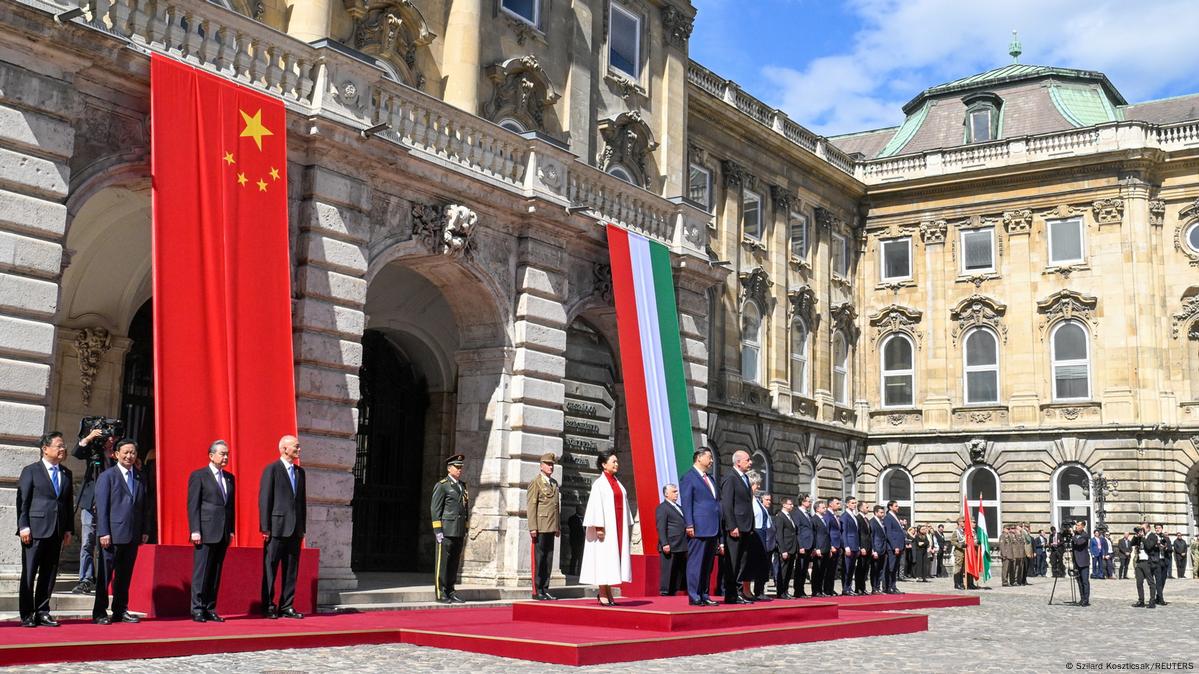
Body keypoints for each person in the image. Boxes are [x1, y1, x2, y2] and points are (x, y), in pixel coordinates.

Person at [17, 432, 74, 627]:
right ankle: (26, 614)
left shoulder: (66, 473)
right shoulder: (31, 471)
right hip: (34, 530)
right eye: (58, 445)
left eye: (63, 445)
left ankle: (43, 611)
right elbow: (23, 501)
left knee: (49, 573)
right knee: (30, 573)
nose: (62, 449)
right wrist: (23, 526)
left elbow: (68, 503)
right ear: (45, 448)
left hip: (56, 530)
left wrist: (68, 529)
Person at [93, 438, 150, 624]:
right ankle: (100, 612)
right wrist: (103, 532)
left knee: (125, 575)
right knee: (105, 576)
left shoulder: (140, 476)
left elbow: (144, 507)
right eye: (125, 452)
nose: (129, 456)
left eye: (132, 452)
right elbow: (102, 507)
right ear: (116, 454)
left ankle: (120, 609)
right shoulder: (108, 476)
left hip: (132, 534)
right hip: (111, 535)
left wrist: (144, 529)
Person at [187, 440, 235, 622]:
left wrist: (231, 530)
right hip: (205, 530)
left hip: (222, 532)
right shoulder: (199, 475)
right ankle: (197, 608)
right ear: (211, 455)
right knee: (202, 571)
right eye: (222, 453)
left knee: (215, 571)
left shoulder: (230, 478)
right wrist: (195, 530)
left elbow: (230, 507)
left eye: (227, 454)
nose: (225, 457)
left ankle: (210, 607)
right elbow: (193, 505)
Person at [260, 435, 307, 618]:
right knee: (270, 568)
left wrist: (302, 527)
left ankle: (287, 605)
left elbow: (301, 501)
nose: (299, 449)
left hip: (295, 529)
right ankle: (268, 605)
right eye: (296, 446)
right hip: (277, 528)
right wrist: (265, 527)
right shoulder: (272, 469)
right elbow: (265, 499)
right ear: (284, 449)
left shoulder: (299, 472)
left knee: (291, 570)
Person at [580, 450, 632, 606]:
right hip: (605, 528)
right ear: (604, 464)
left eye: (617, 461)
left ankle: (608, 591)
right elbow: (595, 506)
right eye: (613, 461)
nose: (616, 464)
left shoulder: (617, 482)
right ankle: (602, 591)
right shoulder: (599, 484)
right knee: (604, 558)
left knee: (612, 559)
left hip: (617, 526)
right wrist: (599, 527)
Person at [71, 427, 113, 595]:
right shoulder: (93, 453)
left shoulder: (119, 456)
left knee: (107, 543)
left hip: (111, 507)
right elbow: (77, 452)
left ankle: (106, 578)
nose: (109, 440)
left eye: (112, 436)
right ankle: (86, 579)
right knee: (88, 543)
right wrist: (89, 437)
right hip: (90, 504)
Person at [678, 447, 722, 606]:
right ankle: (694, 595)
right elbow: (686, 502)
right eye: (709, 457)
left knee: (707, 565)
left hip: (712, 528)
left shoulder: (710, 478)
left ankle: (704, 593)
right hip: (698, 527)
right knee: (696, 563)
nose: (711, 461)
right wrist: (689, 524)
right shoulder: (689, 477)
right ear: (699, 458)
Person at [430, 453, 469, 605]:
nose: (459, 470)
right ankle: (441, 592)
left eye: (461, 467)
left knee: (454, 562)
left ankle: (451, 590)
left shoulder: (462, 486)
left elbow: (466, 509)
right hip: (446, 529)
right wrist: (437, 530)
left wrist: (465, 528)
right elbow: (435, 509)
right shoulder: (442, 485)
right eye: (457, 467)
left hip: (458, 529)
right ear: (449, 468)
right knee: (443, 562)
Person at [719, 450, 756, 604]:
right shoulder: (730, 478)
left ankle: (738, 592)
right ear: (738, 462)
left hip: (746, 527)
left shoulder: (745, 478)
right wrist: (732, 525)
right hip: (736, 528)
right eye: (748, 460)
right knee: (733, 562)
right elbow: (727, 504)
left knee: (741, 562)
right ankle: (730, 594)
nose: (751, 462)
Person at [526, 452, 561, 600]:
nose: (550, 467)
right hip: (540, 526)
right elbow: (531, 505)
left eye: (552, 464)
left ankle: (545, 588)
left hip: (551, 526)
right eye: (548, 464)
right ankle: (537, 589)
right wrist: (533, 527)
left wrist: (557, 526)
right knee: (539, 558)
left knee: (548, 559)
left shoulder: (554, 483)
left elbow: (556, 506)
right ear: (541, 466)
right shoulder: (536, 482)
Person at [655, 483, 687, 597]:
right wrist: (664, 543)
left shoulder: (679, 507)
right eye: (674, 492)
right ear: (666, 494)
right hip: (670, 544)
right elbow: (661, 527)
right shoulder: (662, 508)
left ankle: (674, 590)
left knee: (678, 570)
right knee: (668, 569)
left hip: (682, 544)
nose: (677, 494)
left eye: (677, 491)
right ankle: (665, 591)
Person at [747, 478, 774, 601]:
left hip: (764, 535)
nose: (758, 487)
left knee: (762, 566)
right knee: (755, 565)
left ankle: (759, 591)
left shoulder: (757, 501)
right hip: (755, 533)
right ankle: (751, 591)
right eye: (756, 484)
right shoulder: (749, 500)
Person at [774, 497, 798, 599]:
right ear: (784, 505)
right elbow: (779, 534)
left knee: (788, 572)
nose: (792, 506)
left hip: (792, 547)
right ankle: (781, 592)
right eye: (790, 504)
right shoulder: (780, 516)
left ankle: (786, 590)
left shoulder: (790, 516)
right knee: (783, 571)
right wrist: (783, 550)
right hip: (786, 548)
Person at [792, 494, 815, 598]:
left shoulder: (808, 514)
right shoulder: (797, 513)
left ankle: (802, 590)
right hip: (803, 545)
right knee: (800, 569)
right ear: (802, 502)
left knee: (805, 569)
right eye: (808, 501)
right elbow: (798, 531)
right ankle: (798, 590)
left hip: (809, 545)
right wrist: (800, 546)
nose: (810, 503)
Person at [839, 496, 860, 595]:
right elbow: (844, 532)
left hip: (855, 545)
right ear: (847, 504)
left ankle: (849, 587)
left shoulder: (854, 516)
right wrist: (846, 546)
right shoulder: (844, 516)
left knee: (852, 568)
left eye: (855, 503)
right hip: (849, 545)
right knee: (847, 568)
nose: (854, 505)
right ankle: (845, 588)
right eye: (852, 503)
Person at [883, 500, 905, 594]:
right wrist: (894, 546)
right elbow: (889, 533)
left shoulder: (895, 517)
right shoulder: (888, 517)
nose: (898, 507)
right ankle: (887, 587)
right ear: (890, 507)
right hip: (893, 547)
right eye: (896, 506)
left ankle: (893, 586)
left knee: (895, 567)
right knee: (890, 568)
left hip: (899, 546)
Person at [822, 497, 843, 597]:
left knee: (833, 569)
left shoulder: (835, 516)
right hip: (832, 546)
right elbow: (827, 532)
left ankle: (830, 588)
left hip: (838, 545)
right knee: (828, 569)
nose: (839, 505)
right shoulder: (827, 515)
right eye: (837, 503)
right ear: (830, 504)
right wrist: (830, 546)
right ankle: (826, 589)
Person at [809, 500, 830, 597]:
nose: (825, 509)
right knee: (817, 570)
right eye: (823, 507)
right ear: (817, 509)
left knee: (823, 570)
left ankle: (820, 590)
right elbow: (814, 535)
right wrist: (816, 548)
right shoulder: (814, 520)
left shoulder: (824, 519)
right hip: (819, 548)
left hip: (825, 547)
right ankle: (815, 590)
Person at [1071, 520, 1091, 607]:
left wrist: (1073, 535)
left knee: (1085, 581)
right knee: (1079, 581)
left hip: (1083, 562)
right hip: (1076, 561)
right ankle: (1082, 598)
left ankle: (1086, 600)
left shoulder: (1085, 535)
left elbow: (1079, 543)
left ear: (1082, 526)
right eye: (1076, 525)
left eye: (1078, 525)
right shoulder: (1075, 535)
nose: (1076, 526)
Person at [854, 501, 872, 593]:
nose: (868, 509)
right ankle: (858, 588)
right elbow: (859, 534)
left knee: (865, 568)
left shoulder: (866, 519)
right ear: (861, 508)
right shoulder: (858, 518)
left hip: (868, 547)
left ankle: (863, 587)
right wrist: (861, 547)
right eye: (866, 507)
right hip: (863, 547)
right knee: (860, 568)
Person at [869, 505, 887, 594]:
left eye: (883, 512)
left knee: (880, 569)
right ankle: (874, 588)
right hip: (876, 548)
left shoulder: (882, 522)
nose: (883, 514)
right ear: (876, 513)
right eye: (881, 512)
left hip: (882, 549)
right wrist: (873, 550)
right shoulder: (872, 522)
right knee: (874, 569)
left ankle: (878, 587)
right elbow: (871, 537)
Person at [1152, 523, 1169, 605]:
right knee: (1158, 580)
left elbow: (1170, 549)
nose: (1157, 529)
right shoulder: (1152, 537)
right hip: (1157, 561)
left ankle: (1158, 597)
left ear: (1162, 529)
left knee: (1163, 580)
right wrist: (1156, 545)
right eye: (1156, 528)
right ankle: (1161, 600)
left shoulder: (1165, 537)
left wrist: (1165, 548)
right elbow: (1149, 548)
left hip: (1164, 561)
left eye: (1159, 528)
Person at [567, 508, 585, 576]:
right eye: (582, 509)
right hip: (575, 541)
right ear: (578, 510)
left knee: (581, 558)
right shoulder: (572, 518)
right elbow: (573, 529)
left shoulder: (584, 518)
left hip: (583, 541)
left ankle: (580, 572)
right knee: (574, 557)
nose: (583, 511)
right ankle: (572, 571)